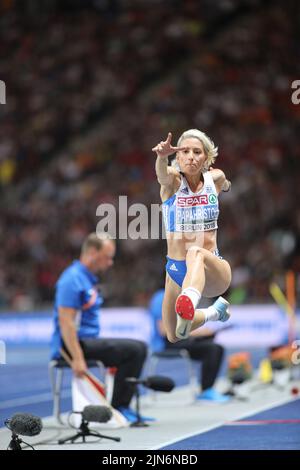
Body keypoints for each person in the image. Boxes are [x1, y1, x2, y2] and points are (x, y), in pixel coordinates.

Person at [50, 232, 152, 423]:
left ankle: (120, 406)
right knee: (134, 350)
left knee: (138, 347)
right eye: (107, 257)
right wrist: (78, 358)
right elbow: (66, 321)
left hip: (87, 342)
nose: (110, 263)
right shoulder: (71, 279)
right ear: (91, 253)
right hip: (71, 346)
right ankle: (120, 407)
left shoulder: (87, 279)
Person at [152, 130, 232, 341]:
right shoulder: (173, 182)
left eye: (197, 152)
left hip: (212, 268)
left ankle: (188, 298)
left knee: (195, 251)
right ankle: (214, 312)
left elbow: (223, 181)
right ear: (177, 157)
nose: (190, 156)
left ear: (206, 157)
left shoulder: (214, 178)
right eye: (185, 151)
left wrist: (226, 186)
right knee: (174, 333)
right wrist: (161, 156)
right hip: (176, 269)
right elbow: (161, 175)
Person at [149, 288, 229, 403]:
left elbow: (187, 323)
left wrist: (202, 333)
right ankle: (206, 391)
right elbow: (164, 331)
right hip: (168, 343)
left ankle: (207, 390)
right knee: (213, 349)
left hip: (180, 338)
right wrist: (199, 332)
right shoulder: (161, 298)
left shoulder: (184, 295)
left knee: (213, 347)